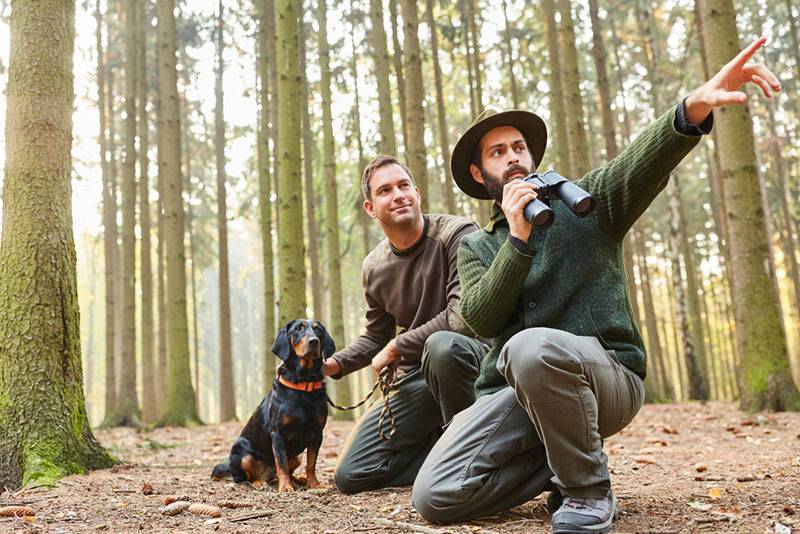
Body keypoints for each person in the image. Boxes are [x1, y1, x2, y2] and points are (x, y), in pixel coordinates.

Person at [411, 37, 780, 533]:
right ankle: (561, 463)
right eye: (499, 153)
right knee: (435, 494)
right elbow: (479, 317)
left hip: (607, 379)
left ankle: (587, 491)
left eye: (519, 147)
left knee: (529, 347)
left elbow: (641, 160)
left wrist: (692, 108)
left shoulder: (588, 203)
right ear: (481, 175)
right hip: (515, 395)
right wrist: (517, 239)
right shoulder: (477, 246)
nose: (514, 157)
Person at [324, 154, 487, 494]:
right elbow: (376, 336)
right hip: (417, 379)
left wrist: (398, 346)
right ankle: (444, 458)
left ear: (417, 192)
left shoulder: (459, 234)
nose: (397, 195)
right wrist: (334, 365)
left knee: (442, 347)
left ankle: (472, 456)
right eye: (385, 190)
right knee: (351, 474)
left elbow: (463, 317)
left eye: (403, 186)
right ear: (371, 208)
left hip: (472, 364)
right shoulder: (374, 267)